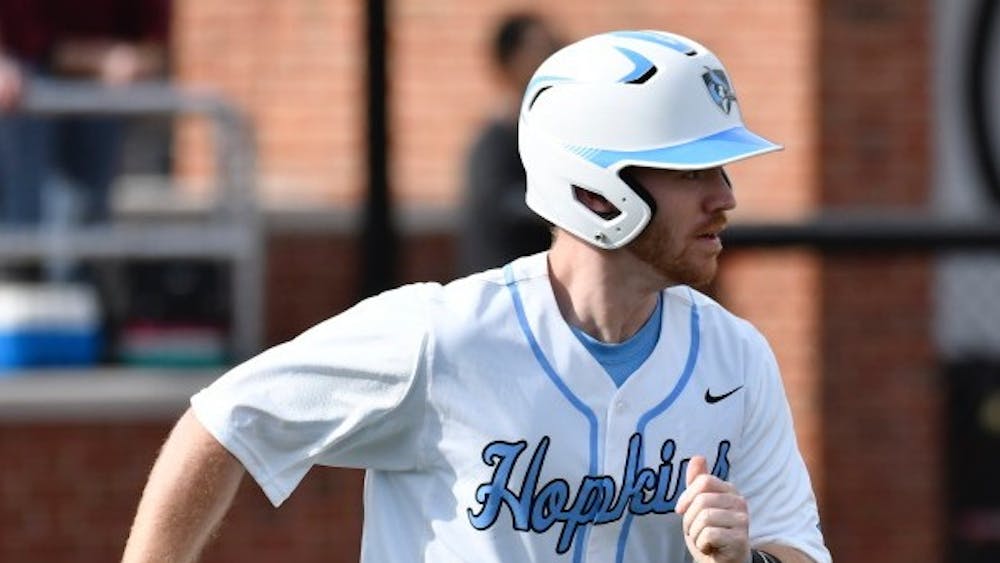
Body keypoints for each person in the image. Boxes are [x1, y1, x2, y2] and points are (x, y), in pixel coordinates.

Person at [123, 30, 832, 563]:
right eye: (691, 170)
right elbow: (222, 423)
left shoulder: (736, 357)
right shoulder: (441, 336)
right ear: (595, 187)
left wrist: (746, 560)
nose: (726, 197)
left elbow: (796, 547)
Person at [0, 0, 169, 278]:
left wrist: (132, 61)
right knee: (22, 215)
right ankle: (20, 283)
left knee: (85, 222)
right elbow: (37, 47)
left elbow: (156, 48)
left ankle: (80, 296)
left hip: (97, 88)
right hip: (24, 81)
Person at [458, 13, 561, 275]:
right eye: (539, 49)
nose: (550, 57)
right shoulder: (496, 141)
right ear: (510, 61)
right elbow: (502, 206)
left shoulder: (551, 136)